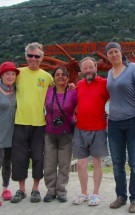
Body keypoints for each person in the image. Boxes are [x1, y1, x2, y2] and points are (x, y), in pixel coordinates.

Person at [105, 42, 135, 213]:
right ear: (107, 56)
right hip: (113, 123)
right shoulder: (109, 73)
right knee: (117, 163)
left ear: (121, 53)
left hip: (132, 121)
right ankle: (121, 196)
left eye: (116, 51)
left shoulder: (133, 68)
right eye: (110, 53)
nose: (114, 54)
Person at [10, 42, 53, 203]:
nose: (33, 59)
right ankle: (21, 190)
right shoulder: (17, 73)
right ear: (26, 56)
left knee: (37, 157)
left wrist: (70, 86)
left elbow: (58, 92)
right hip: (19, 122)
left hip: (39, 124)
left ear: (42, 58)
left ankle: (35, 189)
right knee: (19, 158)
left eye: (37, 56)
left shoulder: (47, 76)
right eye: (30, 55)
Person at [72, 57, 109, 206]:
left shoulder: (105, 84)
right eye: (85, 68)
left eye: (90, 67)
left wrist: (111, 113)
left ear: (96, 68)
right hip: (80, 129)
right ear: (81, 71)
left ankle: (96, 193)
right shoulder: (78, 85)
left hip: (99, 129)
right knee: (81, 164)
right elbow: (72, 103)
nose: (88, 71)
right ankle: (84, 193)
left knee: (97, 162)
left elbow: (119, 98)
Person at [43, 66, 77, 203]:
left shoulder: (73, 92)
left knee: (64, 164)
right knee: (49, 164)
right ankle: (50, 190)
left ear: (68, 78)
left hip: (66, 133)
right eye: (57, 74)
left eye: (63, 75)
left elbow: (85, 106)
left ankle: (61, 190)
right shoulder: (48, 91)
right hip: (49, 132)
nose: (60, 77)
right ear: (53, 77)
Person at [0, 62, 20, 205]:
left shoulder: (15, 89)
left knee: (8, 163)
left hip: (12, 135)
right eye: (7, 73)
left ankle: (5, 188)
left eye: (13, 74)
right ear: (1, 75)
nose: (10, 76)